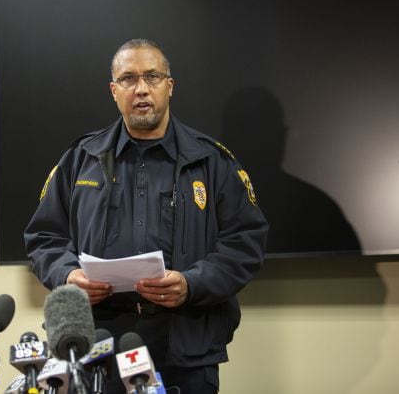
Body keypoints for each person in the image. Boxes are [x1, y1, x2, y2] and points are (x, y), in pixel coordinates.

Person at [24, 38, 268, 393]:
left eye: (152, 77)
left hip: (184, 347)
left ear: (170, 86)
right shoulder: (80, 159)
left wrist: (192, 284)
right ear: (113, 90)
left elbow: (245, 244)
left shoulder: (213, 162)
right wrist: (67, 275)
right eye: (128, 79)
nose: (141, 89)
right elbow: (43, 237)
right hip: (97, 345)